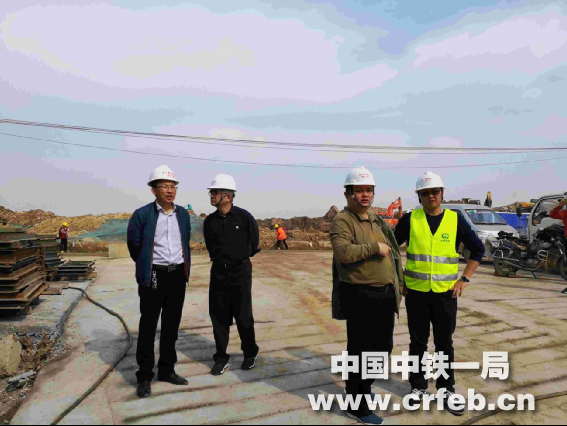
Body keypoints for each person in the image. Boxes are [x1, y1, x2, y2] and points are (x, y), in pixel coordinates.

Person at [395, 171, 485, 416]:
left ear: (442, 193)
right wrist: (400, 279)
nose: (431, 196)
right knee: (418, 343)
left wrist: (465, 278)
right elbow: (391, 249)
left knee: (444, 343)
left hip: (446, 294)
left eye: (434, 192)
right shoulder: (410, 219)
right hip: (416, 293)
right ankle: (418, 387)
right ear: (419, 196)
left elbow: (478, 250)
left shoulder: (455, 220)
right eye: (425, 193)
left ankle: (446, 389)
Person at [330, 166, 405, 426]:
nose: (365, 194)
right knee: (360, 352)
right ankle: (357, 405)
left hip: (384, 294)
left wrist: (398, 284)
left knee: (382, 349)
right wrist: (374, 247)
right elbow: (343, 253)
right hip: (360, 294)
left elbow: (392, 255)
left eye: (369, 190)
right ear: (348, 193)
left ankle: (361, 388)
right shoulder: (343, 220)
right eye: (360, 190)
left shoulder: (375, 219)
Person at [127, 165, 192, 399]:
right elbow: (134, 245)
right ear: (154, 190)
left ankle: (167, 370)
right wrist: (147, 264)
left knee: (171, 325)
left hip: (177, 275)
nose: (170, 190)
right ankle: (144, 376)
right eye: (164, 186)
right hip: (154, 274)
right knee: (148, 326)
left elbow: (185, 239)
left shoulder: (183, 214)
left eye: (173, 186)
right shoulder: (142, 214)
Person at [204, 174, 261, 376]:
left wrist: (238, 258)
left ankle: (250, 353)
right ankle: (221, 357)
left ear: (227, 196)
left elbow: (254, 243)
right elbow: (210, 246)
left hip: (241, 272)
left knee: (243, 315)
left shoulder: (245, 217)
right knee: (218, 316)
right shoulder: (209, 221)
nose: (212, 195)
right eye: (211, 192)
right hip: (219, 272)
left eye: (215, 192)